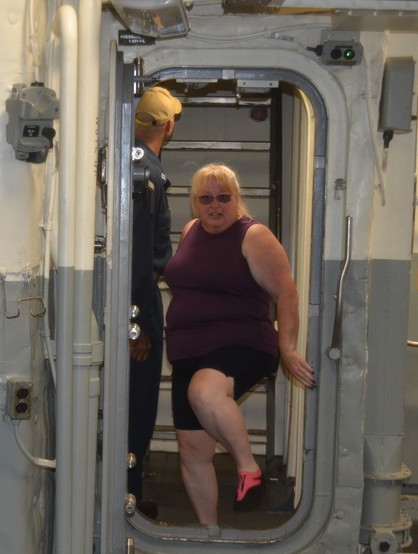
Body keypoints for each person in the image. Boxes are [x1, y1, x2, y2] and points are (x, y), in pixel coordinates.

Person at [164, 163, 316, 527]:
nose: (215, 206)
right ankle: (209, 532)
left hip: (242, 342)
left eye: (223, 197)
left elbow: (286, 294)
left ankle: (249, 469)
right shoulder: (190, 231)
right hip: (187, 351)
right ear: (195, 203)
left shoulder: (253, 235)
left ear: (237, 199)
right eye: (206, 199)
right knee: (193, 451)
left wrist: (288, 348)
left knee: (205, 393)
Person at [127, 85, 181, 517]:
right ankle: (128, 496)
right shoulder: (146, 173)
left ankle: (127, 489)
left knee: (132, 401)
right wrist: (137, 324)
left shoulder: (134, 164)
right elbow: (138, 256)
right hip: (139, 299)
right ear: (169, 125)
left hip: (134, 295)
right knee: (138, 403)